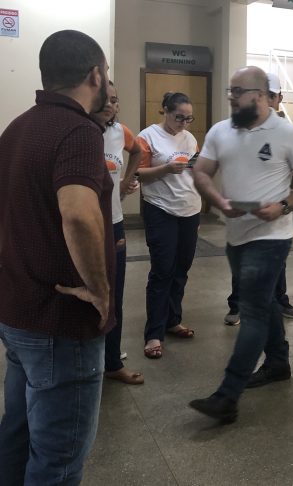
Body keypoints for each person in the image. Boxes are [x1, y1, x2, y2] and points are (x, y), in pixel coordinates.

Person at [0, 30, 114, 485]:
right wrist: (100, 290)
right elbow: (79, 215)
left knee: (17, 434)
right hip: (62, 322)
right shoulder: (79, 131)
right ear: (95, 75)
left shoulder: (17, 128)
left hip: (19, 311)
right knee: (58, 461)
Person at [189, 66, 293, 422]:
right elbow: (201, 171)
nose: (231, 98)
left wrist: (283, 206)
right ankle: (278, 364)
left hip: (272, 235)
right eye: (230, 91)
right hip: (237, 236)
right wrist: (218, 201)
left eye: (238, 91)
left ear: (260, 95)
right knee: (265, 302)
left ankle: (227, 396)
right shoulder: (220, 131)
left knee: (252, 311)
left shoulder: (288, 134)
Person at [223, 73, 293, 325]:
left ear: (278, 98)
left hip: (275, 211)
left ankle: (280, 300)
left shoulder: (287, 133)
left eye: (273, 96)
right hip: (245, 210)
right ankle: (237, 305)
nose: (268, 100)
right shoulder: (242, 128)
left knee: (277, 261)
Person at [136, 92, 201, 359]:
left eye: (188, 119)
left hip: (190, 208)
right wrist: (166, 169)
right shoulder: (148, 136)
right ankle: (154, 333)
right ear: (165, 110)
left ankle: (173, 320)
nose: (184, 123)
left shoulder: (190, 139)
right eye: (179, 117)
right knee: (162, 270)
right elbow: (138, 173)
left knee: (181, 268)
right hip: (161, 208)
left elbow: (194, 172)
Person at [91, 81, 144, 384]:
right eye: (105, 99)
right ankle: (88, 358)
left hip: (113, 222)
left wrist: (125, 181)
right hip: (85, 225)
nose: (110, 104)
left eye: (115, 99)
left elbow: (137, 151)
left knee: (115, 295)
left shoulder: (119, 132)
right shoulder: (81, 131)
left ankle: (112, 361)